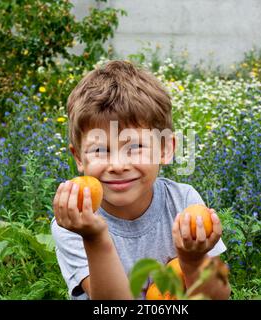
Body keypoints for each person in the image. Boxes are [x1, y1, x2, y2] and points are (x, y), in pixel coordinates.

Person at [51, 60, 231, 300]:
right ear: (79, 158)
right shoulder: (75, 222)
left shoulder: (183, 202)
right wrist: (94, 237)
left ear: (165, 149)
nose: (117, 165)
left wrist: (193, 260)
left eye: (135, 147)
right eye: (100, 150)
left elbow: (218, 297)